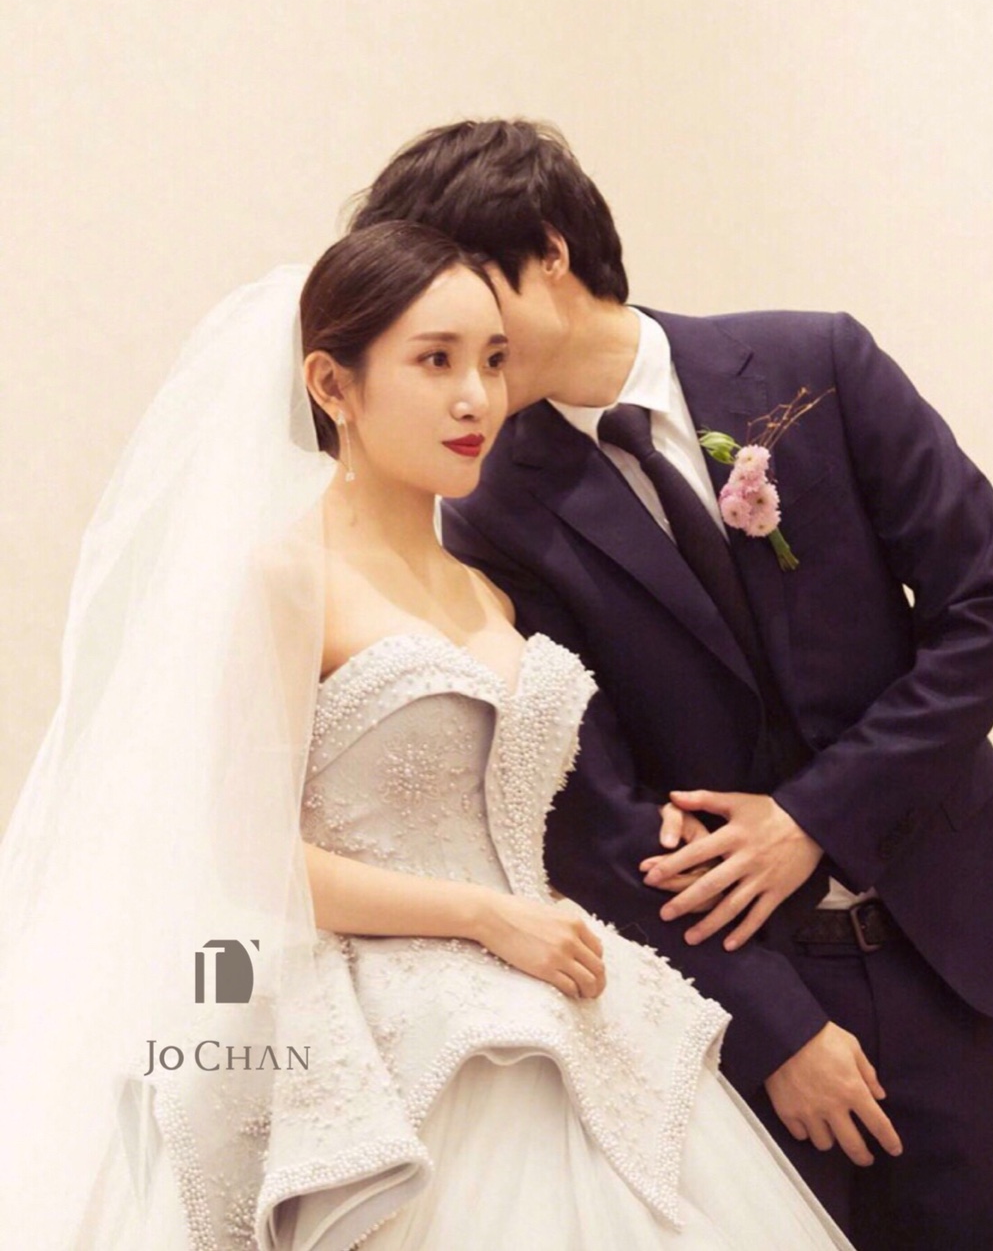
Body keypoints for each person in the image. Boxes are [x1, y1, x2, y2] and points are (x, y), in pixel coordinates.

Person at [0, 221, 850, 1248]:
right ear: (333, 384)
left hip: (554, 998)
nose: (475, 397)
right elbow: (240, 857)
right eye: (434, 361)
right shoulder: (285, 577)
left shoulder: (489, 588)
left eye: (491, 360)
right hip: (375, 1029)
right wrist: (485, 918)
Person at [350, 120, 993, 1251]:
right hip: (741, 997)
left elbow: (986, 607)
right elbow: (588, 807)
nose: (462, 360)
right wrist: (774, 1027)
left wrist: (813, 816)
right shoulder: (494, 515)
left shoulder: (814, 363)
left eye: (469, 300)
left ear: (550, 251)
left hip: (939, 933)